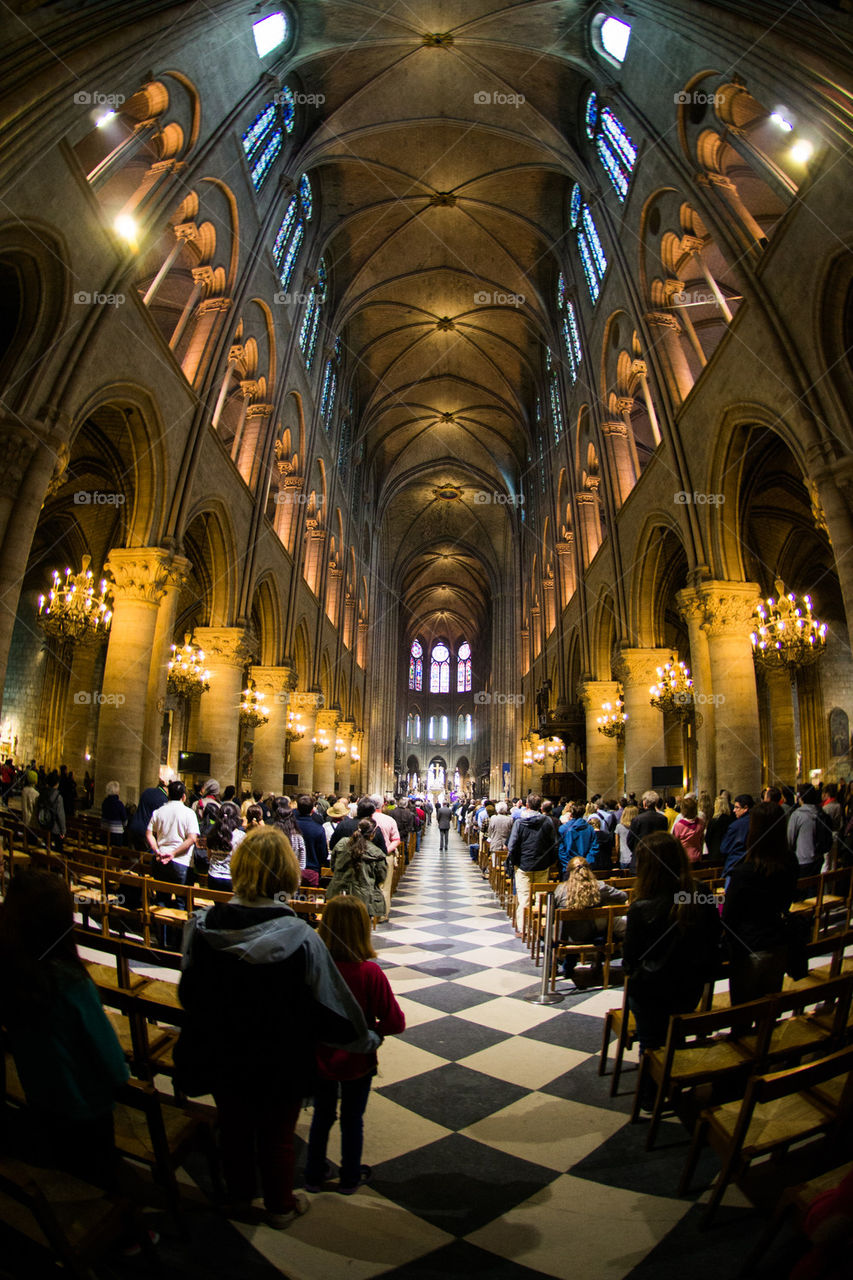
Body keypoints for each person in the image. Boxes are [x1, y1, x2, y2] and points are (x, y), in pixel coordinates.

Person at [176, 828, 380, 1228]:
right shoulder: (303, 937)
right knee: (278, 1135)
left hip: (223, 1050)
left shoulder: (200, 926)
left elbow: (189, 994)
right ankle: (280, 1205)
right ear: (286, 874)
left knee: (233, 1126)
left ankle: (238, 1199)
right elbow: (332, 1004)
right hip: (281, 1057)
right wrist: (365, 1039)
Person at [0, 867, 129, 1188]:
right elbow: (115, 1068)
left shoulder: (11, 974)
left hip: (39, 1098)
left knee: (61, 1174)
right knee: (97, 1183)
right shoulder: (70, 984)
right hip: (85, 1110)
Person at [304, 896, 406, 1194]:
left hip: (320, 1055)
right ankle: (349, 1177)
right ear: (364, 929)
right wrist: (369, 1030)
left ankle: (313, 1173)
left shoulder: (313, 969)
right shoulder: (369, 973)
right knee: (352, 1119)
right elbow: (395, 1022)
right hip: (357, 1061)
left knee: (321, 1116)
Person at [623, 832, 721, 1106]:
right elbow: (714, 934)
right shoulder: (699, 893)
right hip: (689, 985)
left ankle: (650, 1095)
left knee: (651, 1043)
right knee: (674, 1036)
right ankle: (675, 1082)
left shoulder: (641, 907)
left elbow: (629, 958)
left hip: (651, 991)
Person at [722, 801, 798, 1006]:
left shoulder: (744, 872)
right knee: (769, 1010)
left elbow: (729, 916)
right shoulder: (790, 861)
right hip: (778, 941)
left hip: (749, 949)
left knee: (743, 1013)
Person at [555, 857, 628, 984]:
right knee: (607, 920)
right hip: (593, 935)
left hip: (566, 937)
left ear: (569, 872)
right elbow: (623, 897)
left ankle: (559, 966)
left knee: (568, 926)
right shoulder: (599, 887)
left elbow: (553, 911)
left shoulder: (560, 890)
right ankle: (599, 961)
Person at [505, 794, 557, 937]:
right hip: (542, 864)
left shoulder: (519, 823)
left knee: (524, 897)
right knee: (541, 896)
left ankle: (524, 929)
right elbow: (553, 842)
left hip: (524, 865)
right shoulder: (547, 821)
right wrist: (549, 861)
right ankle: (542, 927)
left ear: (527, 805)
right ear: (540, 806)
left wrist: (515, 862)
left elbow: (512, 845)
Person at [326, 818, 388, 919]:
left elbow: (333, 866)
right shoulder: (377, 853)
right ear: (373, 834)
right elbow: (381, 877)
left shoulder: (342, 843)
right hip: (364, 899)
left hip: (338, 893)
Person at [145, 779, 199, 886]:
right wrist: (173, 853)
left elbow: (149, 834)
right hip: (181, 861)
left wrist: (157, 851)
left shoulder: (158, 812)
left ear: (168, 795)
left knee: (161, 899)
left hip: (160, 859)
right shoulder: (189, 813)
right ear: (184, 797)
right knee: (181, 901)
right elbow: (192, 838)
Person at [788, 785, 832, 878]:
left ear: (801, 798)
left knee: (803, 888)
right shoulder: (821, 812)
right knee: (814, 887)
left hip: (803, 859)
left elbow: (790, 839)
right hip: (819, 857)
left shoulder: (797, 815)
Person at [206, 801, 245, 891]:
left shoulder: (212, 833)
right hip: (231, 879)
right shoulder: (240, 836)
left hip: (213, 877)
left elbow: (209, 856)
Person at [294, 793, 329, 886]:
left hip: (292, 869)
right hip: (312, 871)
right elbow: (323, 854)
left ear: (297, 809)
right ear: (312, 810)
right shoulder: (318, 829)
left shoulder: (291, 827)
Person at [127, 775, 169, 851]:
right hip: (146, 832)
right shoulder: (163, 799)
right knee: (146, 859)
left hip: (133, 827)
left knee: (132, 856)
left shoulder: (147, 790)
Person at [626, 791, 668, 865]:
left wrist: (637, 852)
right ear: (656, 803)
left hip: (640, 860)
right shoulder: (663, 819)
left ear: (644, 803)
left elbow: (630, 840)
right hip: (657, 860)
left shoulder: (637, 819)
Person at [720, 793, 754, 878]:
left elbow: (724, 848)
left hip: (735, 866)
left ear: (745, 808)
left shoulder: (735, 826)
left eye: (737, 807)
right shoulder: (757, 822)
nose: (734, 810)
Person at [558, 802, 595, 874]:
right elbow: (594, 848)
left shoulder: (563, 829)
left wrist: (568, 865)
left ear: (571, 813)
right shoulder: (590, 829)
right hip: (585, 867)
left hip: (569, 868)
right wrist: (586, 863)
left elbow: (561, 850)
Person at [671, 793, 705, 863]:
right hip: (697, 855)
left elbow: (675, 843)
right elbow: (701, 840)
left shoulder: (679, 825)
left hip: (684, 857)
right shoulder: (701, 822)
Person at [38, 769, 66, 851]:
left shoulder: (42, 793)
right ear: (57, 783)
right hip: (55, 828)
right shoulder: (58, 797)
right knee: (58, 850)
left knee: (45, 848)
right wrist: (63, 831)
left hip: (43, 825)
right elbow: (60, 815)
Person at [704, 795, 734, 863]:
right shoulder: (731, 820)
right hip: (727, 852)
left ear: (716, 806)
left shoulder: (713, 821)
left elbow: (707, 838)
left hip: (715, 853)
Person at [100, 780, 127, 847]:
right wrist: (124, 825)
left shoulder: (104, 802)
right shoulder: (119, 804)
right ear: (117, 791)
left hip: (104, 830)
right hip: (116, 833)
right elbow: (124, 819)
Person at [615, 804, 637, 869]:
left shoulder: (619, 826)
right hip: (635, 858)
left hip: (623, 857)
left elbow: (617, 845)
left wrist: (618, 857)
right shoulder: (637, 826)